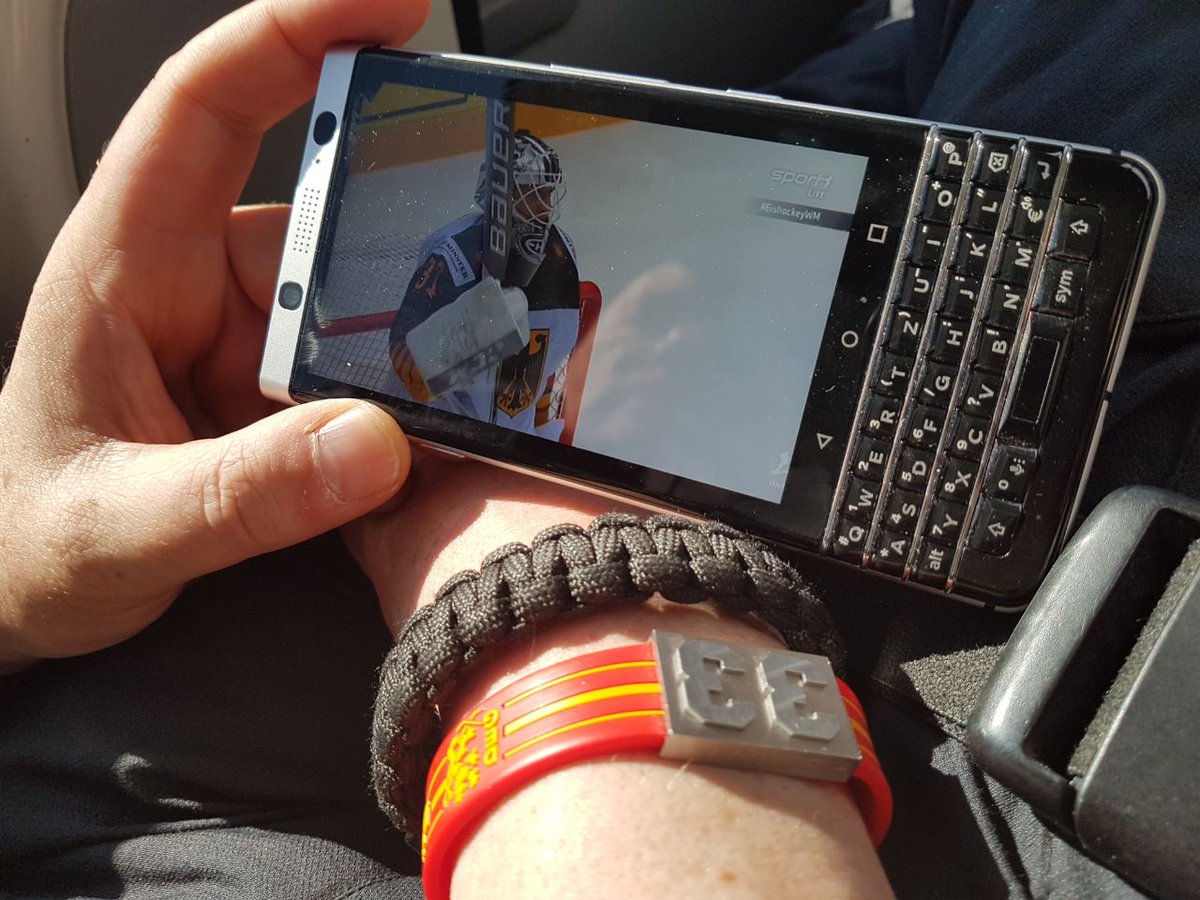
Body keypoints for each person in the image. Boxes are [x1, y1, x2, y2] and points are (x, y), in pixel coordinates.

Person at [1, 1, 1197, 898]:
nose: (535, 209)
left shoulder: (556, 259)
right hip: (945, 621)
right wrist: (571, 563)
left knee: (898, 98)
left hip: (800, 478)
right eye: (525, 194)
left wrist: (15, 605)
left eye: (544, 196)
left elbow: (550, 355)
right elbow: (449, 367)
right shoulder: (458, 262)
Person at [389, 130, 583, 440]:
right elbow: (406, 366)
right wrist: (460, 350)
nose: (545, 208)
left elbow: (547, 363)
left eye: (547, 193)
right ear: (502, 194)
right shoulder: (453, 252)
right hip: (439, 438)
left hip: (515, 442)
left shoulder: (564, 251)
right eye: (533, 194)